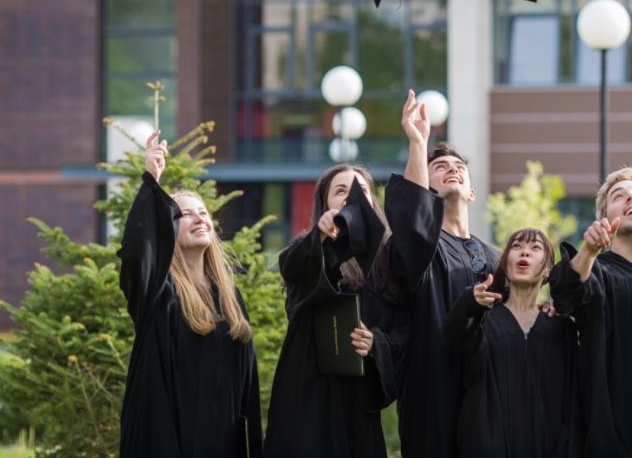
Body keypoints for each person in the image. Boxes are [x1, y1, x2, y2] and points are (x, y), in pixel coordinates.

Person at [118, 131, 262, 458]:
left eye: (203, 212)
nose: (199, 218)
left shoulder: (229, 298)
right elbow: (136, 254)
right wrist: (152, 182)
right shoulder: (158, 292)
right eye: (184, 214)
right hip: (171, 440)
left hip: (224, 440)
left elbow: (246, 384)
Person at [546, 126, 632, 458]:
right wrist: (589, 252)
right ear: (605, 215)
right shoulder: (598, 271)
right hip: (609, 433)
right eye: (619, 195)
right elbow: (565, 293)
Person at [264, 164, 409, 457]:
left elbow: (403, 331)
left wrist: (376, 343)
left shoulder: (388, 264)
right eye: (339, 190)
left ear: (372, 203)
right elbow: (296, 274)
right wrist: (320, 238)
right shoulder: (305, 250)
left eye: (360, 190)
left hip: (358, 402)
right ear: (324, 205)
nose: (349, 196)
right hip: (307, 394)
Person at [387, 90, 502, 458]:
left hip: (488, 392)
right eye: (440, 167)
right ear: (429, 187)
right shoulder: (419, 248)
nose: (451, 168)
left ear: (470, 191)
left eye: (459, 167)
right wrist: (419, 144)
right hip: (430, 390)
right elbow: (412, 217)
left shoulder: (496, 259)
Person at [445, 229, 582, 458]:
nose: (524, 252)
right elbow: (453, 334)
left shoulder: (559, 327)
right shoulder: (484, 321)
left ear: (549, 269)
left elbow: (572, 401)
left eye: (535, 247)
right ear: (505, 263)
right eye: (516, 246)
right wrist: (471, 302)